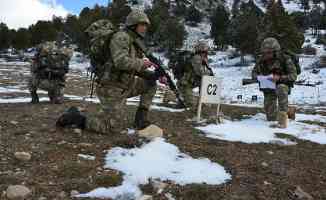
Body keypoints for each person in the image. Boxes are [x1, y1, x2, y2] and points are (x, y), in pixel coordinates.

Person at [85, 10, 164, 134]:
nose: (145, 28)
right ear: (133, 25)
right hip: (111, 88)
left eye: (146, 25)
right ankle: (80, 119)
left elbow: (133, 67)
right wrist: (143, 63)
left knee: (151, 84)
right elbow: (120, 62)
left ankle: (140, 119)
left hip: (124, 86)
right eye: (142, 25)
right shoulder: (121, 37)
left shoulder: (134, 42)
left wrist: (154, 75)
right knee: (112, 128)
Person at [252, 37, 297, 128]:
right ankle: (289, 111)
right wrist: (262, 78)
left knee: (281, 88)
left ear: (276, 51)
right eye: (264, 52)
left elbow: (293, 75)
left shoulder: (285, 59)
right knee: (271, 117)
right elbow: (253, 74)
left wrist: (279, 78)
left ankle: (283, 118)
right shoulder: (261, 60)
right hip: (268, 85)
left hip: (282, 84)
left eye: (269, 52)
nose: (266, 55)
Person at [176, 41, 213, 110]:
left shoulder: (203, 58)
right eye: (205, 50)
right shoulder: (196, 58)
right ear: (202, 50)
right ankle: (182, 102)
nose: (207, 52)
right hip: (185, 84)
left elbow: (205, 72)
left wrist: (210, 74)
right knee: (191, 105)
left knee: (198, 106)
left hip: (192, 82)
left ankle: (202, 103)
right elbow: (200, 72)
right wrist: (209, 73)